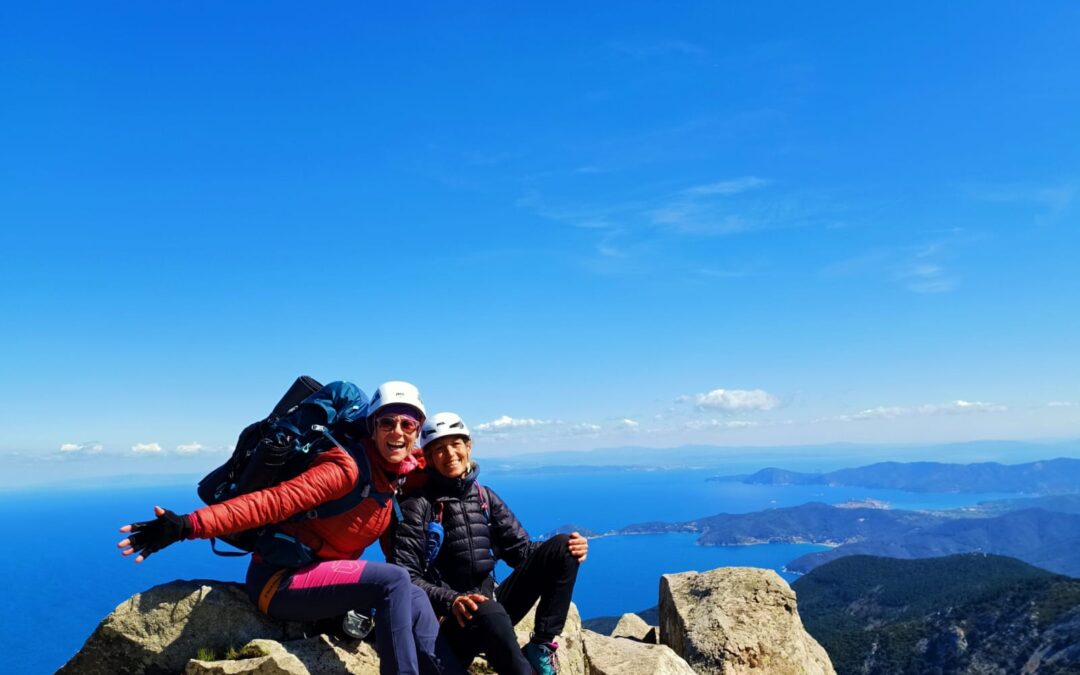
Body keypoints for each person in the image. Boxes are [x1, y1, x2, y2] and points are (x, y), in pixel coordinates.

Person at [118, 381, 460, 675]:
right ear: (371, 426)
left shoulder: (394, 475)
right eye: (387, 422)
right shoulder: (346, 469)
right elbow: (271, 502)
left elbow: (437, 471)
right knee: (393, 582)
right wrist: (186, 525)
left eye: (408, 423)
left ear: (418, 431)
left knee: (413, 594)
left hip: (320, 577)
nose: (397, 432)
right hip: (278, 582)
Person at [389, 412, 588, 675]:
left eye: (456, 444)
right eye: (439, 448)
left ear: (468, 446)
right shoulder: (418, 506)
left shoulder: (484, 497)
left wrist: (569, 549)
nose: (449, 453)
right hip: (449, 621)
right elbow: (405, 576)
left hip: (490, 607)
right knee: (487, 609)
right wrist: (452, 600)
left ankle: (541, 647)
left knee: (563, 546)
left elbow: (521, 552)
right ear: (429, 458)